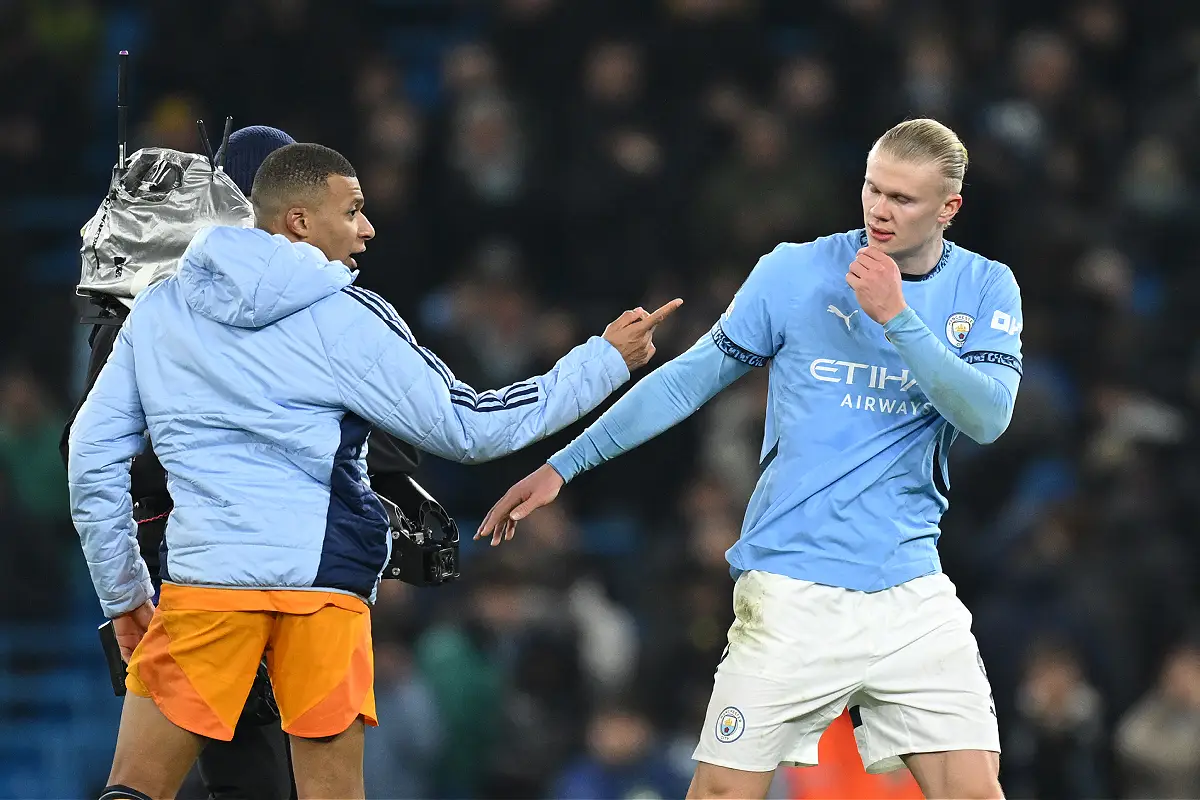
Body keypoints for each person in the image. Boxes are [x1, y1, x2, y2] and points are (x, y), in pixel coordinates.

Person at [68, 141, 681, 800]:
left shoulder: (160, 311)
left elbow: (91, 463)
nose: (369, 228)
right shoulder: (345, 318)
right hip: (321, 594)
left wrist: (125, 597)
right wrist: (606, 360)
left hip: (206, 589)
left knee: (133, 790)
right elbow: (472, 428)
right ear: (298, 221)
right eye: (353, 210)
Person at [476, 118, 1023, 800]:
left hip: (910, 590)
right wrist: (565, 464)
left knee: (975, 792)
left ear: (949, 208)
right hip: (792, 589)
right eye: (872, 189)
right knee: (719, 795)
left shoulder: (985, 288)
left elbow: (988, 416)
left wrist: (897, 318)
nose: (880, 210)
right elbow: (688, 379)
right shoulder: (794, 272)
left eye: (904, 200)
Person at [62, 124, 304, 800]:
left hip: (220, 569)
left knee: (219, 772)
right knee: (225, 773)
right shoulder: (162, 304)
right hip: (196, 571)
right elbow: (91, 452)